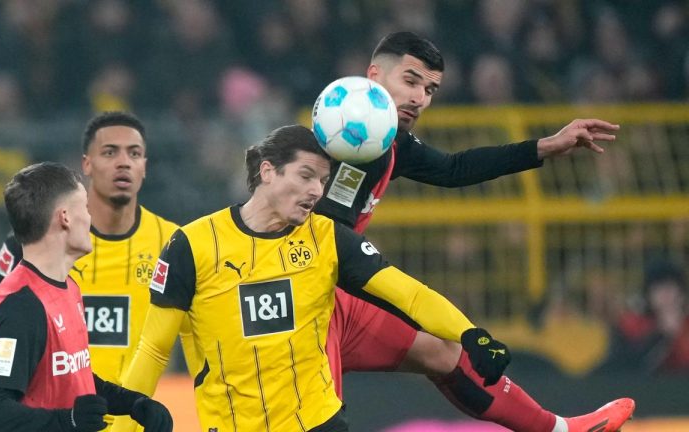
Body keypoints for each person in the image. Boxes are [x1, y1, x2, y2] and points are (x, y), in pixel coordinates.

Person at [313, 32, 634, 431]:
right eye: (410, 82)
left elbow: (453, 169)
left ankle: (560, 430)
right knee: (316, 416)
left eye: (430, 89)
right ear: (373, 75)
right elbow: (321, 234)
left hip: (337, 290)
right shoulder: (331, 140)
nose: (420, 98)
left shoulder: (389, 139)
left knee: (443, 352)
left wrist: (545, 147)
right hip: (303, 299)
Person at [113, 125, 511, 431]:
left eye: (322, 181)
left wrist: (469, 334)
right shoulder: (193, 245)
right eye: (305, 176)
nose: (315, 191)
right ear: (268, 171)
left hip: (319, 421)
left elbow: (408, 293)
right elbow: (153, 350)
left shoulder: (327, 239)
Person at [0, 112, 192, 427]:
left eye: (134, 153)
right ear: (65, 218)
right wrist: (65, 417)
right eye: (110, 152)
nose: (123, 162)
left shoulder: (68, 287)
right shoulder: (22, 305)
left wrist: (134, 404)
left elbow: (78, 374)